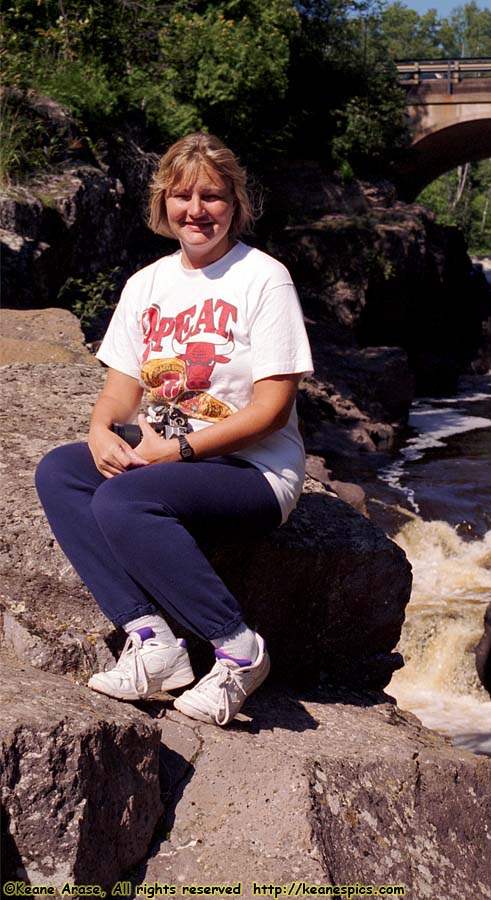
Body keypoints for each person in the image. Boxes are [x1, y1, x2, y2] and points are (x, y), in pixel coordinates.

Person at [35, 132, 313, 726]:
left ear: (235, 203)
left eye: (211, 196)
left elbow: (271, 411)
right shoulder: (147, 285)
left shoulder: (265, 279)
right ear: (163, 205)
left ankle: (238, 649)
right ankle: (153, 640)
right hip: (170, 453)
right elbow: (121, 385)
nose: (196, 210)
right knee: (60, 471)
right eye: (182, 196)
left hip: (252, 470)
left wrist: (176, 451)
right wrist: (101, 428)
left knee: (124, 500)